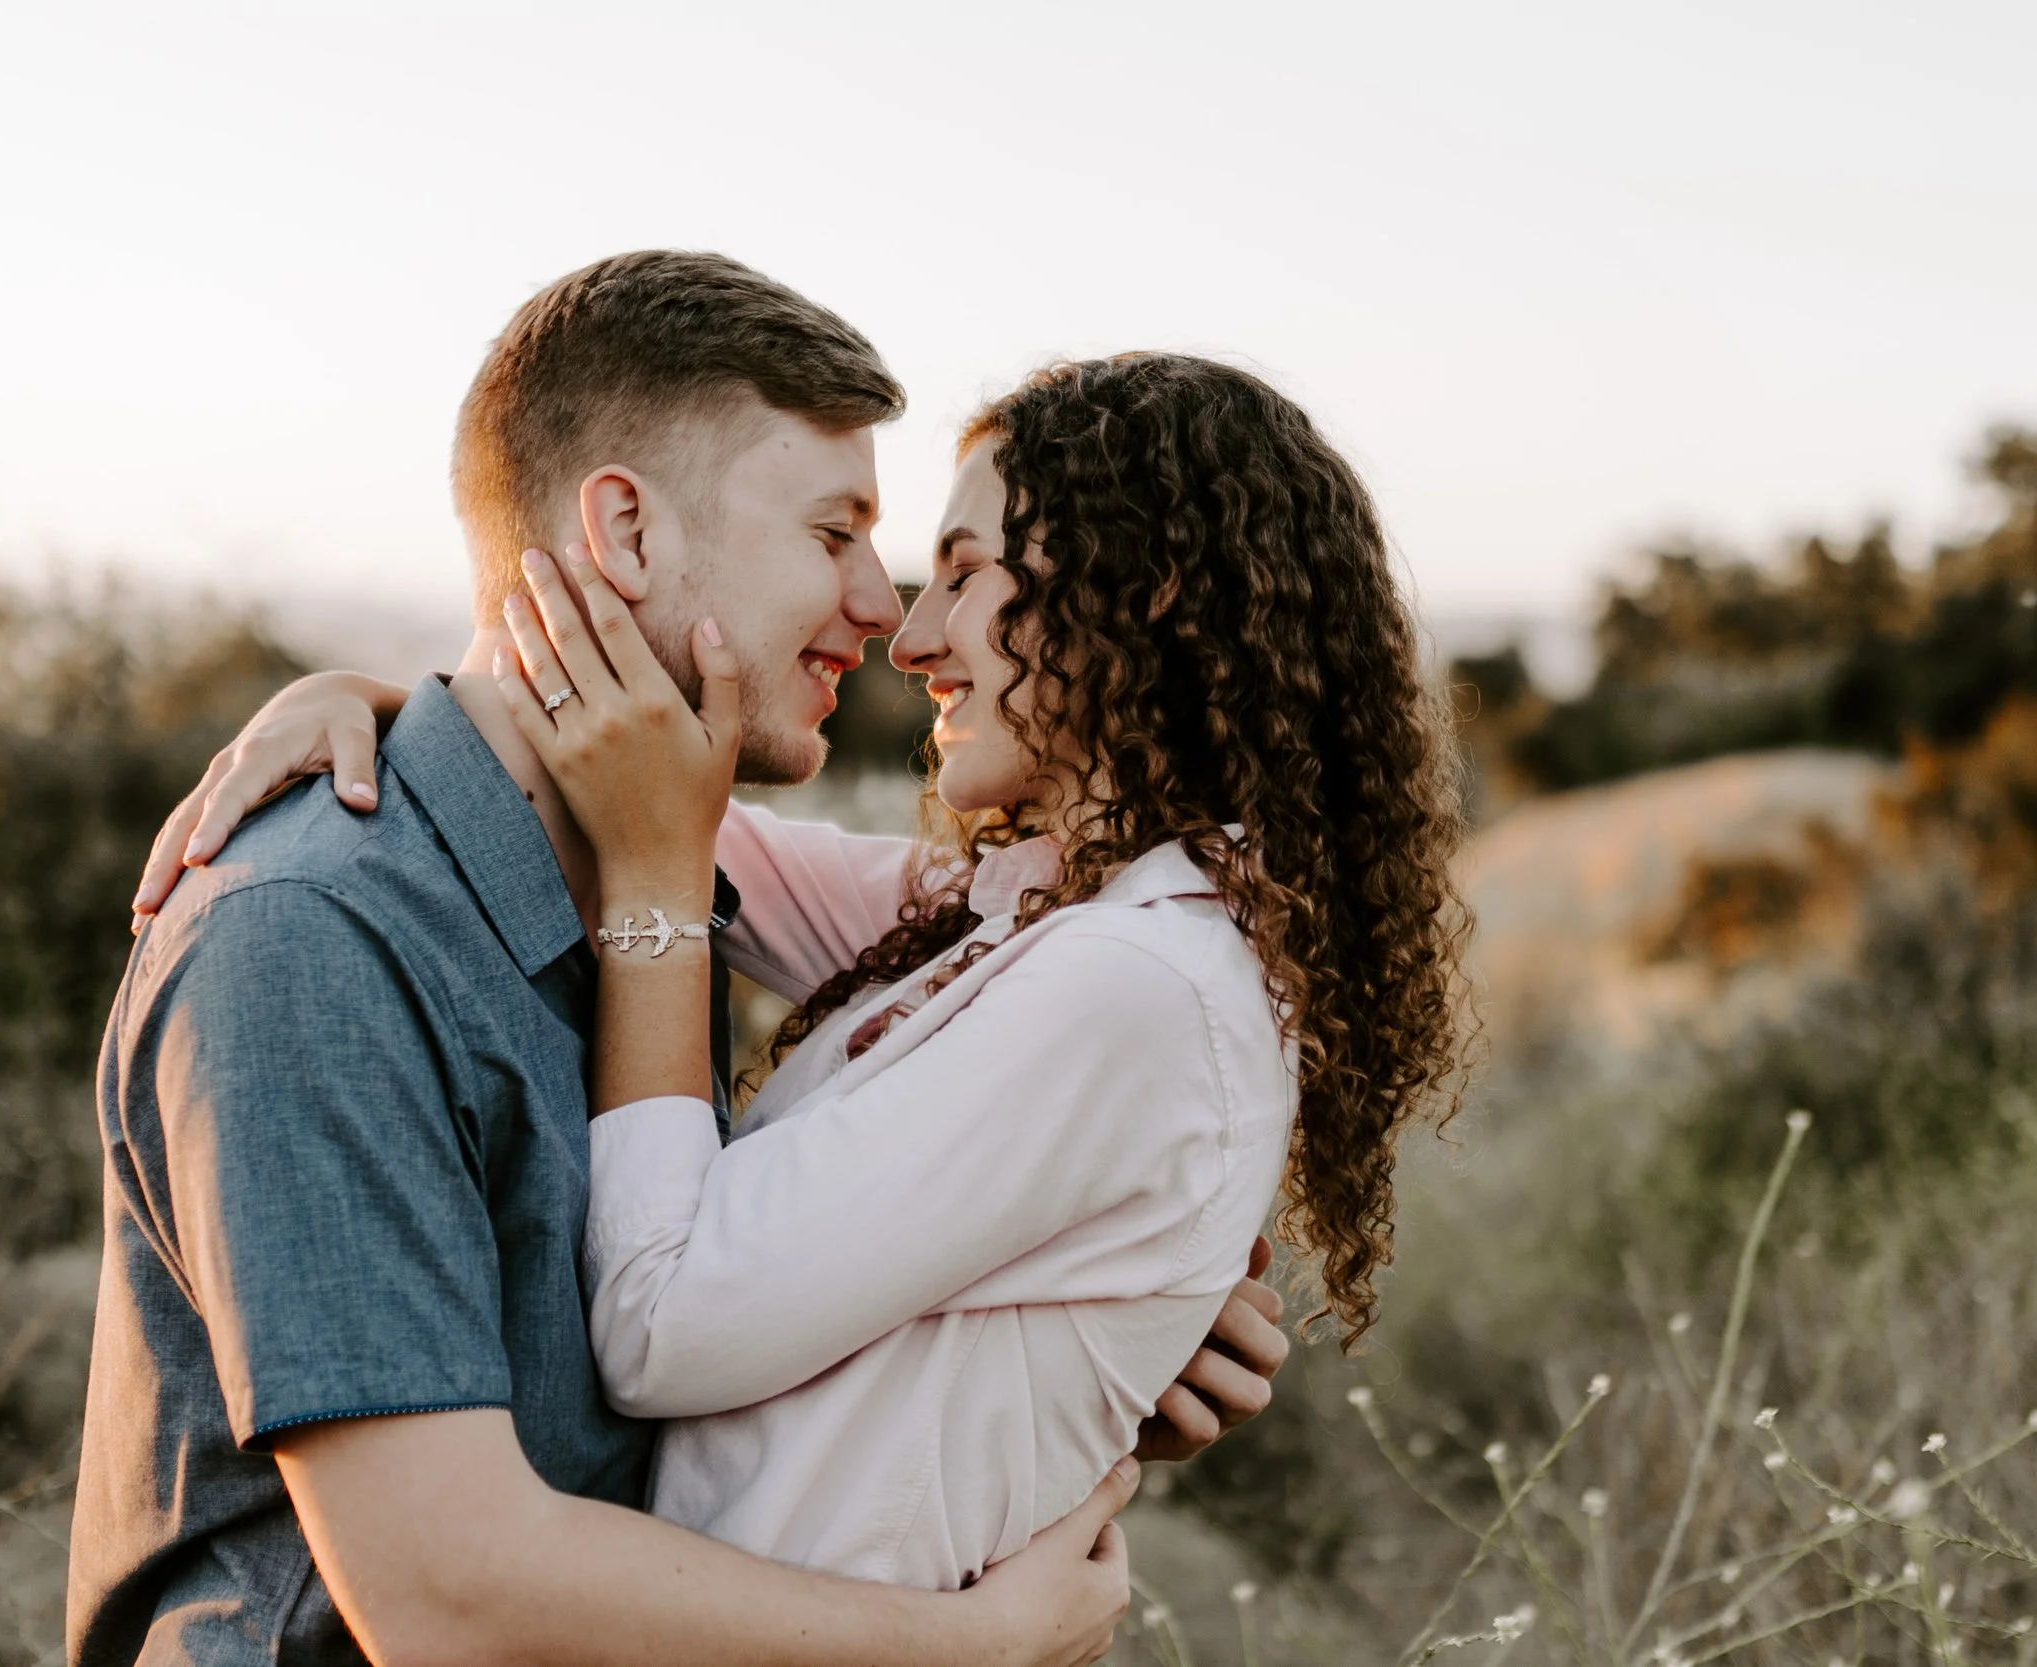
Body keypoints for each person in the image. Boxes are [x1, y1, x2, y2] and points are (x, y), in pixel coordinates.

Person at [75, 252, 1286, 1667]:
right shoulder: (315, 940)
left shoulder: (659, 876)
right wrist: (965, 1644)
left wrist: (1067, 1314)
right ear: (628, 534)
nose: (879, 615)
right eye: (836, 533)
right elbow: (445, 1597)